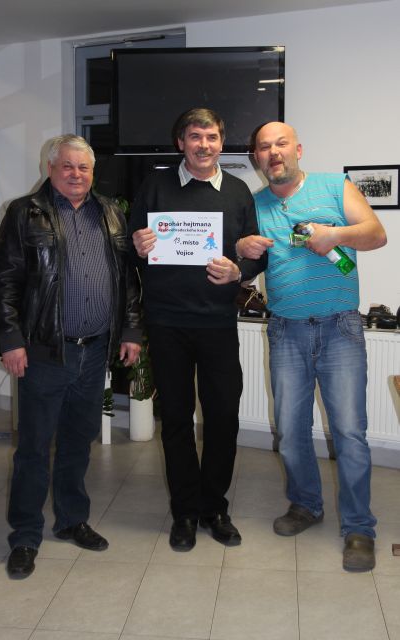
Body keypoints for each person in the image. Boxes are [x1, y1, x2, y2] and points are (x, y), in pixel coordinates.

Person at [0, 134, 141, 579]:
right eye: (68, 166)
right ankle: (25, 535)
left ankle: (72, 519)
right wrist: (11, 339)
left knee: (78, 441)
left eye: (84, 167)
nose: (76, 174)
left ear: (93, 172)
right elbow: (4, 282)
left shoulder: (110, 212)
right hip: (44, 352)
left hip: (94, 350)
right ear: (51, 168)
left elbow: (127, 278)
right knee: (34, 448)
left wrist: (131, 330)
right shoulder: (25, 213)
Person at [237, 121, 387, 572]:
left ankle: (359, 528)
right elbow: (244, 264)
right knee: (290, 429)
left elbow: (376, 234)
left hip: (340, 328)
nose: (273, 152)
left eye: (281, 143)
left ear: (298, 149)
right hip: (286, 330)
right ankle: (306, 504)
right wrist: (241, 247)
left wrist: (334, 235)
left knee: (349, 432)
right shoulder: (254, 204)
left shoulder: (333, 186)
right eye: (264, 147)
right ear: (256, 157)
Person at [129, 108, 267, 551]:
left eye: (211, 137)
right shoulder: (155, 185)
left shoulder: (239, 192)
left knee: (223, 417)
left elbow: (256, 254)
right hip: (166, 322)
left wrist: (239, 270)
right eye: (195, 136)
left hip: (217, 324)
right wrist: (137, 244)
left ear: (221, 143)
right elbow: (131, 247)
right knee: (175, 419)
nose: (203, 145)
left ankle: (215, 508)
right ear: (181, 142)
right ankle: (185, 511)